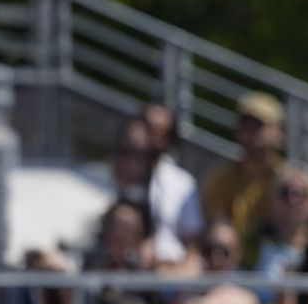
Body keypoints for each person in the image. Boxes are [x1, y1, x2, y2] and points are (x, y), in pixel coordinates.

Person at [113, 116, 202, 269]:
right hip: (126, 269)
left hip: (171, 272)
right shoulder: (117, 181)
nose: (152, 139)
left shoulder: (182, 182)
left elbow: (193, 241)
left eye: (159, 132)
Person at [201, 92, 286, 245]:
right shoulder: (219, 180)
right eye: (245, 122)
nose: (250, 130)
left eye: (259, 124)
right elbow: (215, 227)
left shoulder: (290, 182)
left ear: (279, 132)